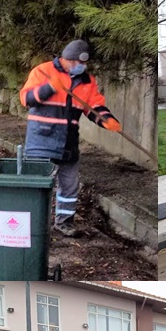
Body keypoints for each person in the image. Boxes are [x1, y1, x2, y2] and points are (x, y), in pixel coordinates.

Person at [19, 39, 122, 238]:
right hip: (42, 140)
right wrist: (50, 87)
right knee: (39, 185)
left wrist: (107, 120)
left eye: (82, 64)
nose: (78, 67)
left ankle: (64, 223)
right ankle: (34, 226)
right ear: (65, 59)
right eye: (74, 63)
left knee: (70, 185)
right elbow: (26, 98)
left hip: (68, 142)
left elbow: (93, 107)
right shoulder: (43, 71)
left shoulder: (87, 81)